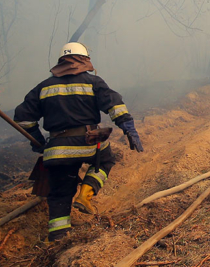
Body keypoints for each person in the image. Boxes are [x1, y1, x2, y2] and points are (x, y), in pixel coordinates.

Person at [13, 42, 144, 242]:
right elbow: (114, 104)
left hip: (57, 150)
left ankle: (58, 237)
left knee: (59, 193)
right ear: (84, 60)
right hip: (88, 143)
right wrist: (127, 126)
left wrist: (38, 141)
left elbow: (22, 117)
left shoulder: (43, 87)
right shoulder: (93, 82)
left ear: (61, 62)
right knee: (105, 161)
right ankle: (86, 192)